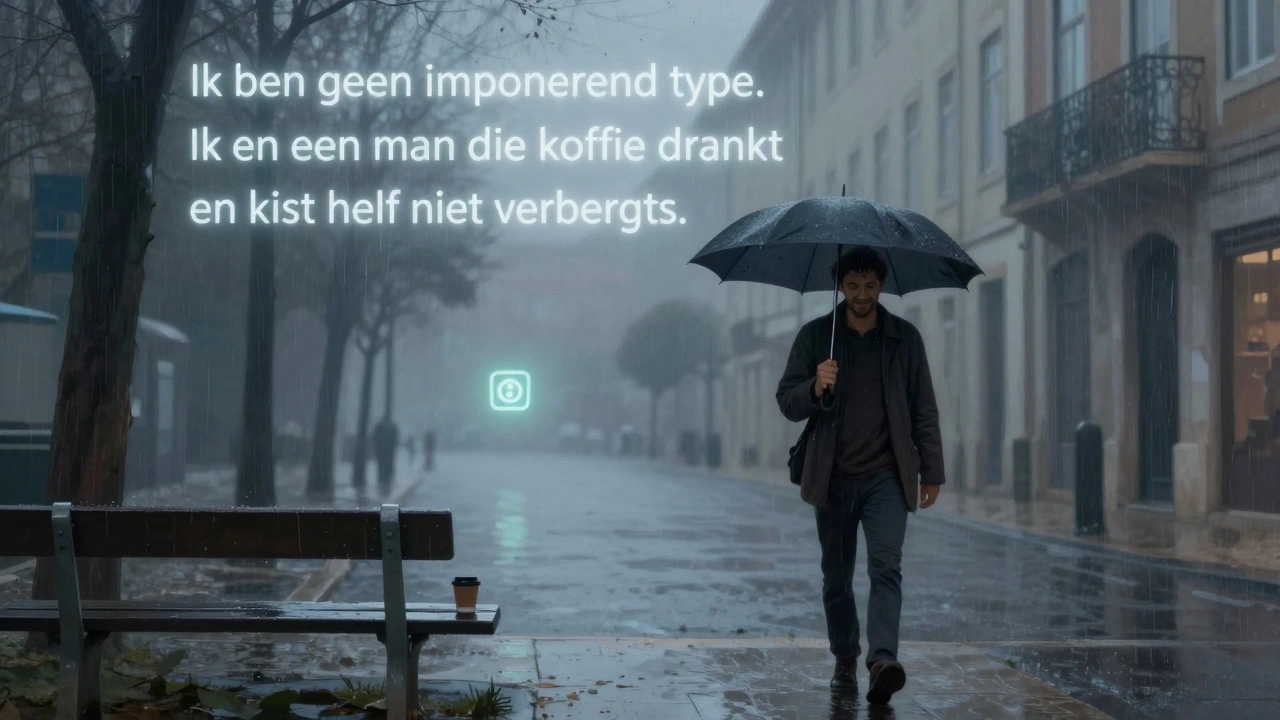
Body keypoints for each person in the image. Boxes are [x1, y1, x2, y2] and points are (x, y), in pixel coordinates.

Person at [775, 246, 945, 706]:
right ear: (840, 286)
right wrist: (815, 385)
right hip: (831, 478)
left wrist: (932, 471)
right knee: (836, 577)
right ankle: (845, 658)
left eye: (870, 286)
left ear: (882, 285)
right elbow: (786, 401)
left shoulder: (904, 339)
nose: (863, 295)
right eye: (853, 286)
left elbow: (923, 408)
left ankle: (882, 660)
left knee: (886, 566)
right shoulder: (816, 337)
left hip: (886, 476)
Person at [372, 416, 399, 492]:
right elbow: (395, 438)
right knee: (388, 464)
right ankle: (387, 479)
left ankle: (381, 479)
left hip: (381, 449)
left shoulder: (378, 426)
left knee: (381, 465)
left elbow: (374, 437)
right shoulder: (393, 427)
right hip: (389, 450)